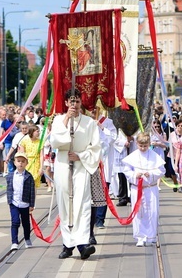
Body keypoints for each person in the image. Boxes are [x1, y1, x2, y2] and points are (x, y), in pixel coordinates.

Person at [48, 88, 102, 260]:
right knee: (65, 205)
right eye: (71, 102)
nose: (75, 105)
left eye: (77, 101)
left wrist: (80, 156)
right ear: (66, 103)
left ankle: (83, 243)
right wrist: (66, 119)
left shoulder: (89, 122)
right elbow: (55, 140)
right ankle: (67, 244)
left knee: (82, 205)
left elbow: (96, 147)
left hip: (81, 166)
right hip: (64, 164)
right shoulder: (58, 120)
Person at [122, 132, 165, 247]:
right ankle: (140, 236)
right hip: (137, 188)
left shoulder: (154, 156)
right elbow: (126, 170)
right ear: (137, 144)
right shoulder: (133, 156)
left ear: (149, 144)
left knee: (152, 211)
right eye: (141, 146)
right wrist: (135, 175)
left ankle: (151, 236)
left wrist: (150, 173)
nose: (143, 148)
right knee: (139, 212)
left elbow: (161, 170)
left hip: (151, 188)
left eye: (145, 146)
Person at [6, 151, 35, 250]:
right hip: (14, 203)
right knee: (15, 222)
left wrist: (32, 204)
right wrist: (9, 201)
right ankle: (14, 242)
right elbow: (9, 189)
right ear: (14, 162)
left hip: (25, 204)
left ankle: (27, 239)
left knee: (26, 223)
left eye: (23, 161)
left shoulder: (29, 176)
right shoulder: (10, 176)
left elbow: (32, 191)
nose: (20, 163)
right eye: (18, 161)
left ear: (26, 163)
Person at [18, 123, 42, 188]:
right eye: (37, 131)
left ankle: (33, 197)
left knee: (34, 185)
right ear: (32, 132)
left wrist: (41, 168)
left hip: (36, 164)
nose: (39, 133)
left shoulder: (40, 142)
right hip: (27, 163)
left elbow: (41, 156)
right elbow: (22, 154)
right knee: (26, 183)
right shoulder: (24, 141)